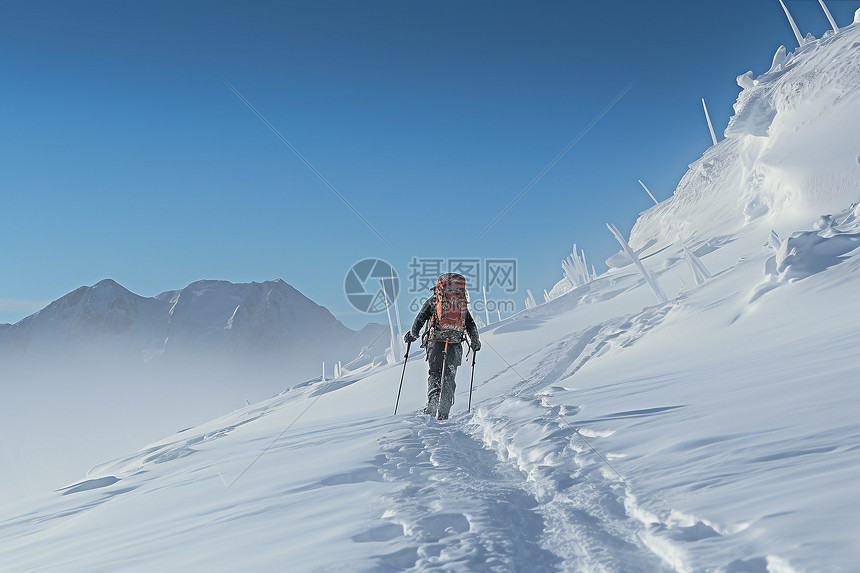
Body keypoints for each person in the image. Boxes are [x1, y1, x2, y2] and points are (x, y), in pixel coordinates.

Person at [404, 273, 480, 420]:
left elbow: (420, 319)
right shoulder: (461, 304)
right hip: (455, 344)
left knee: (435, 374)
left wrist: (412, 335)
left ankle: (433, 404)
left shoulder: (434, 300)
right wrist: (475, 341)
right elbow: (470, 324)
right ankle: (444, 411)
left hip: (436, 344)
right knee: (449, 377)